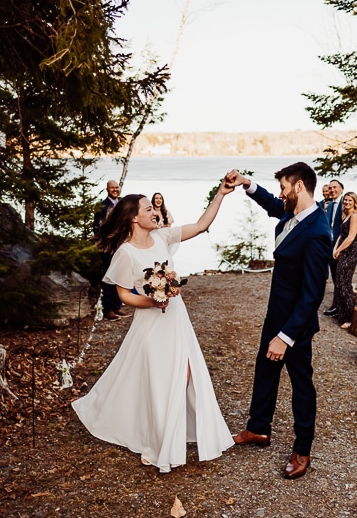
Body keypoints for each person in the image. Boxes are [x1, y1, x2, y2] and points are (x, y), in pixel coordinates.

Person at [72, 181, 235, 473]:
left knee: (185, 375)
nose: (153, 212)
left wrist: (220, 194)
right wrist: (153, 302)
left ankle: (167, 437)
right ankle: (157, 443)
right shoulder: (125, 253)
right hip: (151, 323)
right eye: (148, 208)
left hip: (176, 319)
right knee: (158, 382)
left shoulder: (162, 236)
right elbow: (123, 294)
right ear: (135, 218)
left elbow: (199, 226)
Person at [224, 163, 331, 480]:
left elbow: (312, 296)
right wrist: (247, 184)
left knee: (301, 383)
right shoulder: (293, 213)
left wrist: (284, 336)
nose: (281, 193)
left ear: (299, 187)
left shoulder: (318, 233)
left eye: (284, 187)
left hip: (295, 325)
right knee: (265, 369)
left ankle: (303, 448)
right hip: (277, 313)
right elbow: (274, 205)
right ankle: (258, 429)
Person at [93, 180, 127, 320]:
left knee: (120, 275)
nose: (115, 189)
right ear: (107, 189)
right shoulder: (102, 206)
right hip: (108, 248)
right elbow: (97, 228)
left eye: (116, 187)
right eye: (112, 187)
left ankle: (117, 306)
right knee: (108, 277)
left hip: (121, 246)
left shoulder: (122, 205)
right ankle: (108, 310)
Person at [332, 191, 357, 329]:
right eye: (345, 200)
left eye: (350, 200)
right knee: (339, 282)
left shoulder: (355, 216)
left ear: (355, 202)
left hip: (350, 251)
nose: (347, 202)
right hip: (343, 250)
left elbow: (350, 237)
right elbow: (341, 235)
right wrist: (335, 248)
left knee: (345, 284)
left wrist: (339, 250)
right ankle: (341, 313)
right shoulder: (346, 215)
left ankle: (350, 318)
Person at [323, 178, 344, 318]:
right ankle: (336, 306)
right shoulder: (330, 205)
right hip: (330, 245)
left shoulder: (346, 203)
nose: (332, 190)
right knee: (335, 277)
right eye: (330, 188)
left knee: (342, 279)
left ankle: (343, 309)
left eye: (335, 187)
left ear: (341, 189)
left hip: (341, 246)